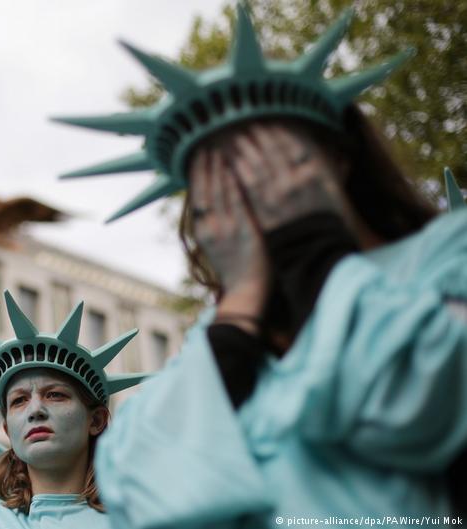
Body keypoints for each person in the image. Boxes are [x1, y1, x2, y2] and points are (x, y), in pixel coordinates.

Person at [55, 2, 467, 526]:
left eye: (265, 157)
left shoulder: (449, 254)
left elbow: (422, 397)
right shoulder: (220, 337)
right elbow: (144, 495)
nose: (246, 187)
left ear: (336, 157)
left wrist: (312, 248)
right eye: (217, 178)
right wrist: (241, 305)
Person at [0, 290, 148, 529]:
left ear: (96, 420)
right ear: (7, 430)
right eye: (19, 401)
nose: (35, 410)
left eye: (55, 395)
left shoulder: (140, 521)